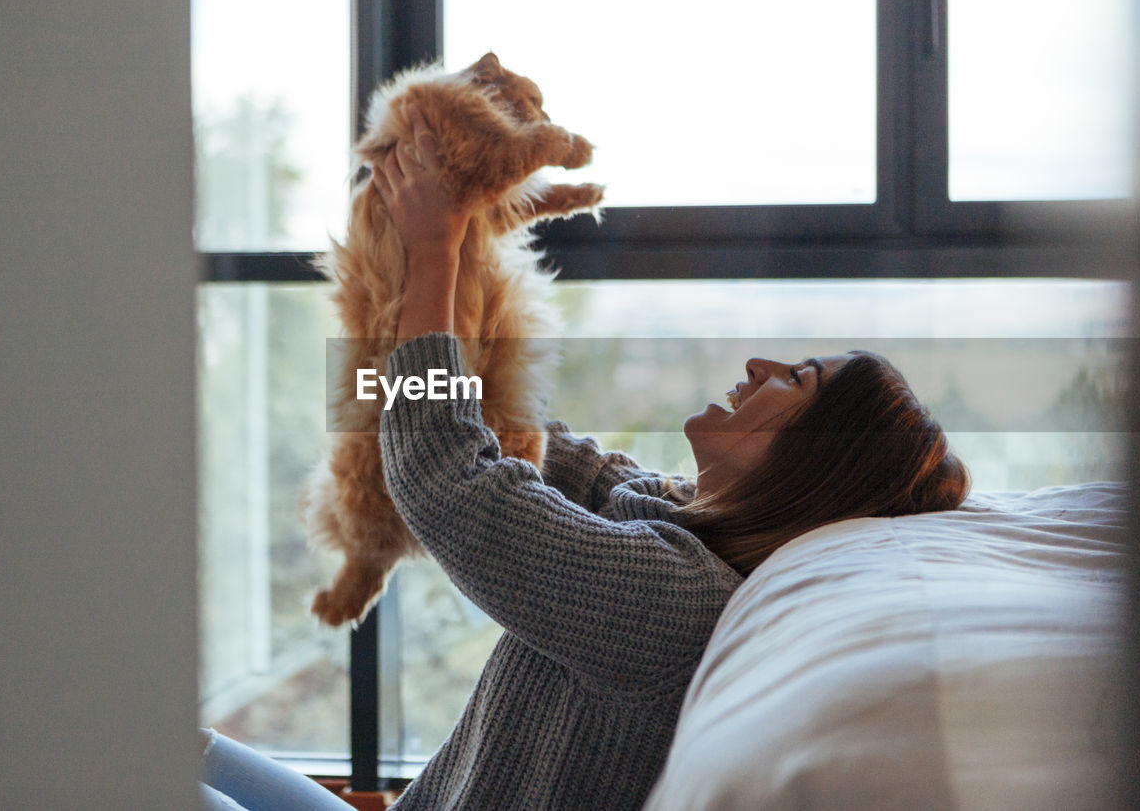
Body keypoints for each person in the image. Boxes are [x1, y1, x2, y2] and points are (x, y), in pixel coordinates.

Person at [199, 106, 970, 811]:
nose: (761, 366)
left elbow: (450, 481)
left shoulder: (676, 597)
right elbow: (509, 433)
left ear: (815, 464)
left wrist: (433, 255)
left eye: (797, 380)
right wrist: (456, 246)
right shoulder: (661, 507)